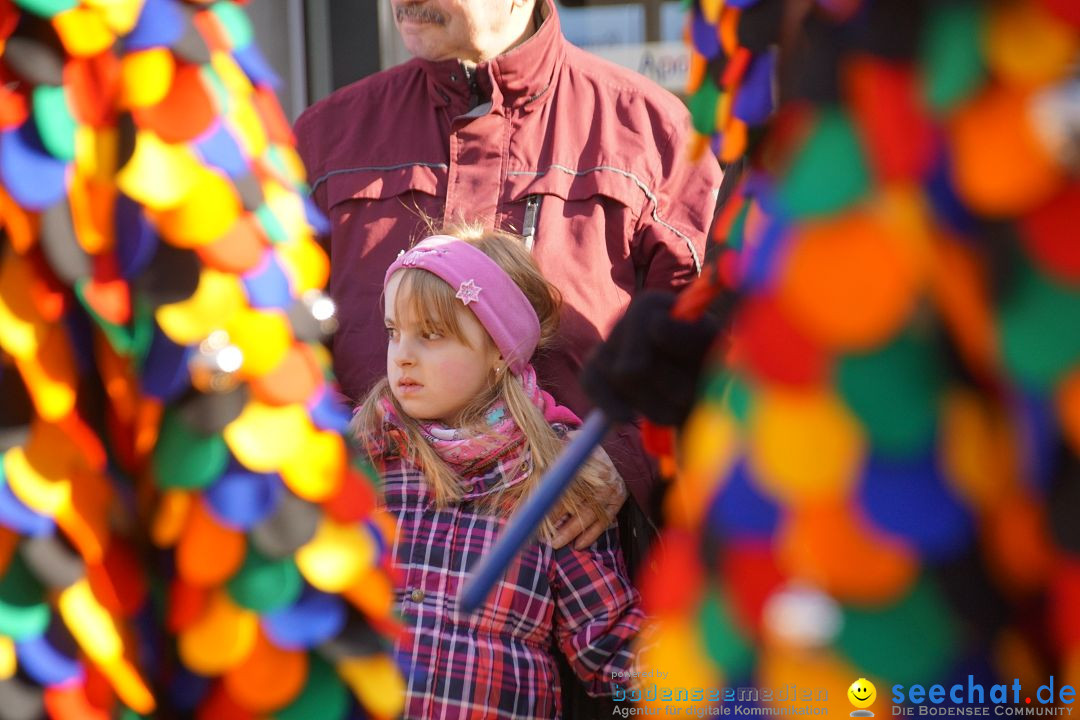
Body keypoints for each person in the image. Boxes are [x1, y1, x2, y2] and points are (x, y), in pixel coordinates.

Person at [295, 0, 724, 547]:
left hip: (575, 564)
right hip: (368, 564)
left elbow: (704, 351)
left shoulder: (652, 134)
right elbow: (280, 342)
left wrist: (625, 463)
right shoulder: (327, 137)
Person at [350, 227, 645, 719]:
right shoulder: (366, 460)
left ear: (498, 354)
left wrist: (702, 687)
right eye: (393, 331)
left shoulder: (551, 481)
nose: (402, 353)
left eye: (431, 334)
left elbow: (606, 638)